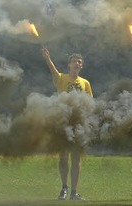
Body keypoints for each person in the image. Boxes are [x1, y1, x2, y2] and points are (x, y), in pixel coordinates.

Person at [42, 48, 93, 201]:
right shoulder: (61, 78)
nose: (77, 63)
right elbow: (52, 70)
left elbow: (90, 103)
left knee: (76, 158)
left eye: (80, 62)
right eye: (74, 61)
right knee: (63, 157)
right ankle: (64, 188)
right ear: (69, 65)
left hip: (78, 124)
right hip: (63, 121)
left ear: (81, 66)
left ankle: (74, 192)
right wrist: (47, 58)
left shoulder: (85, 83)